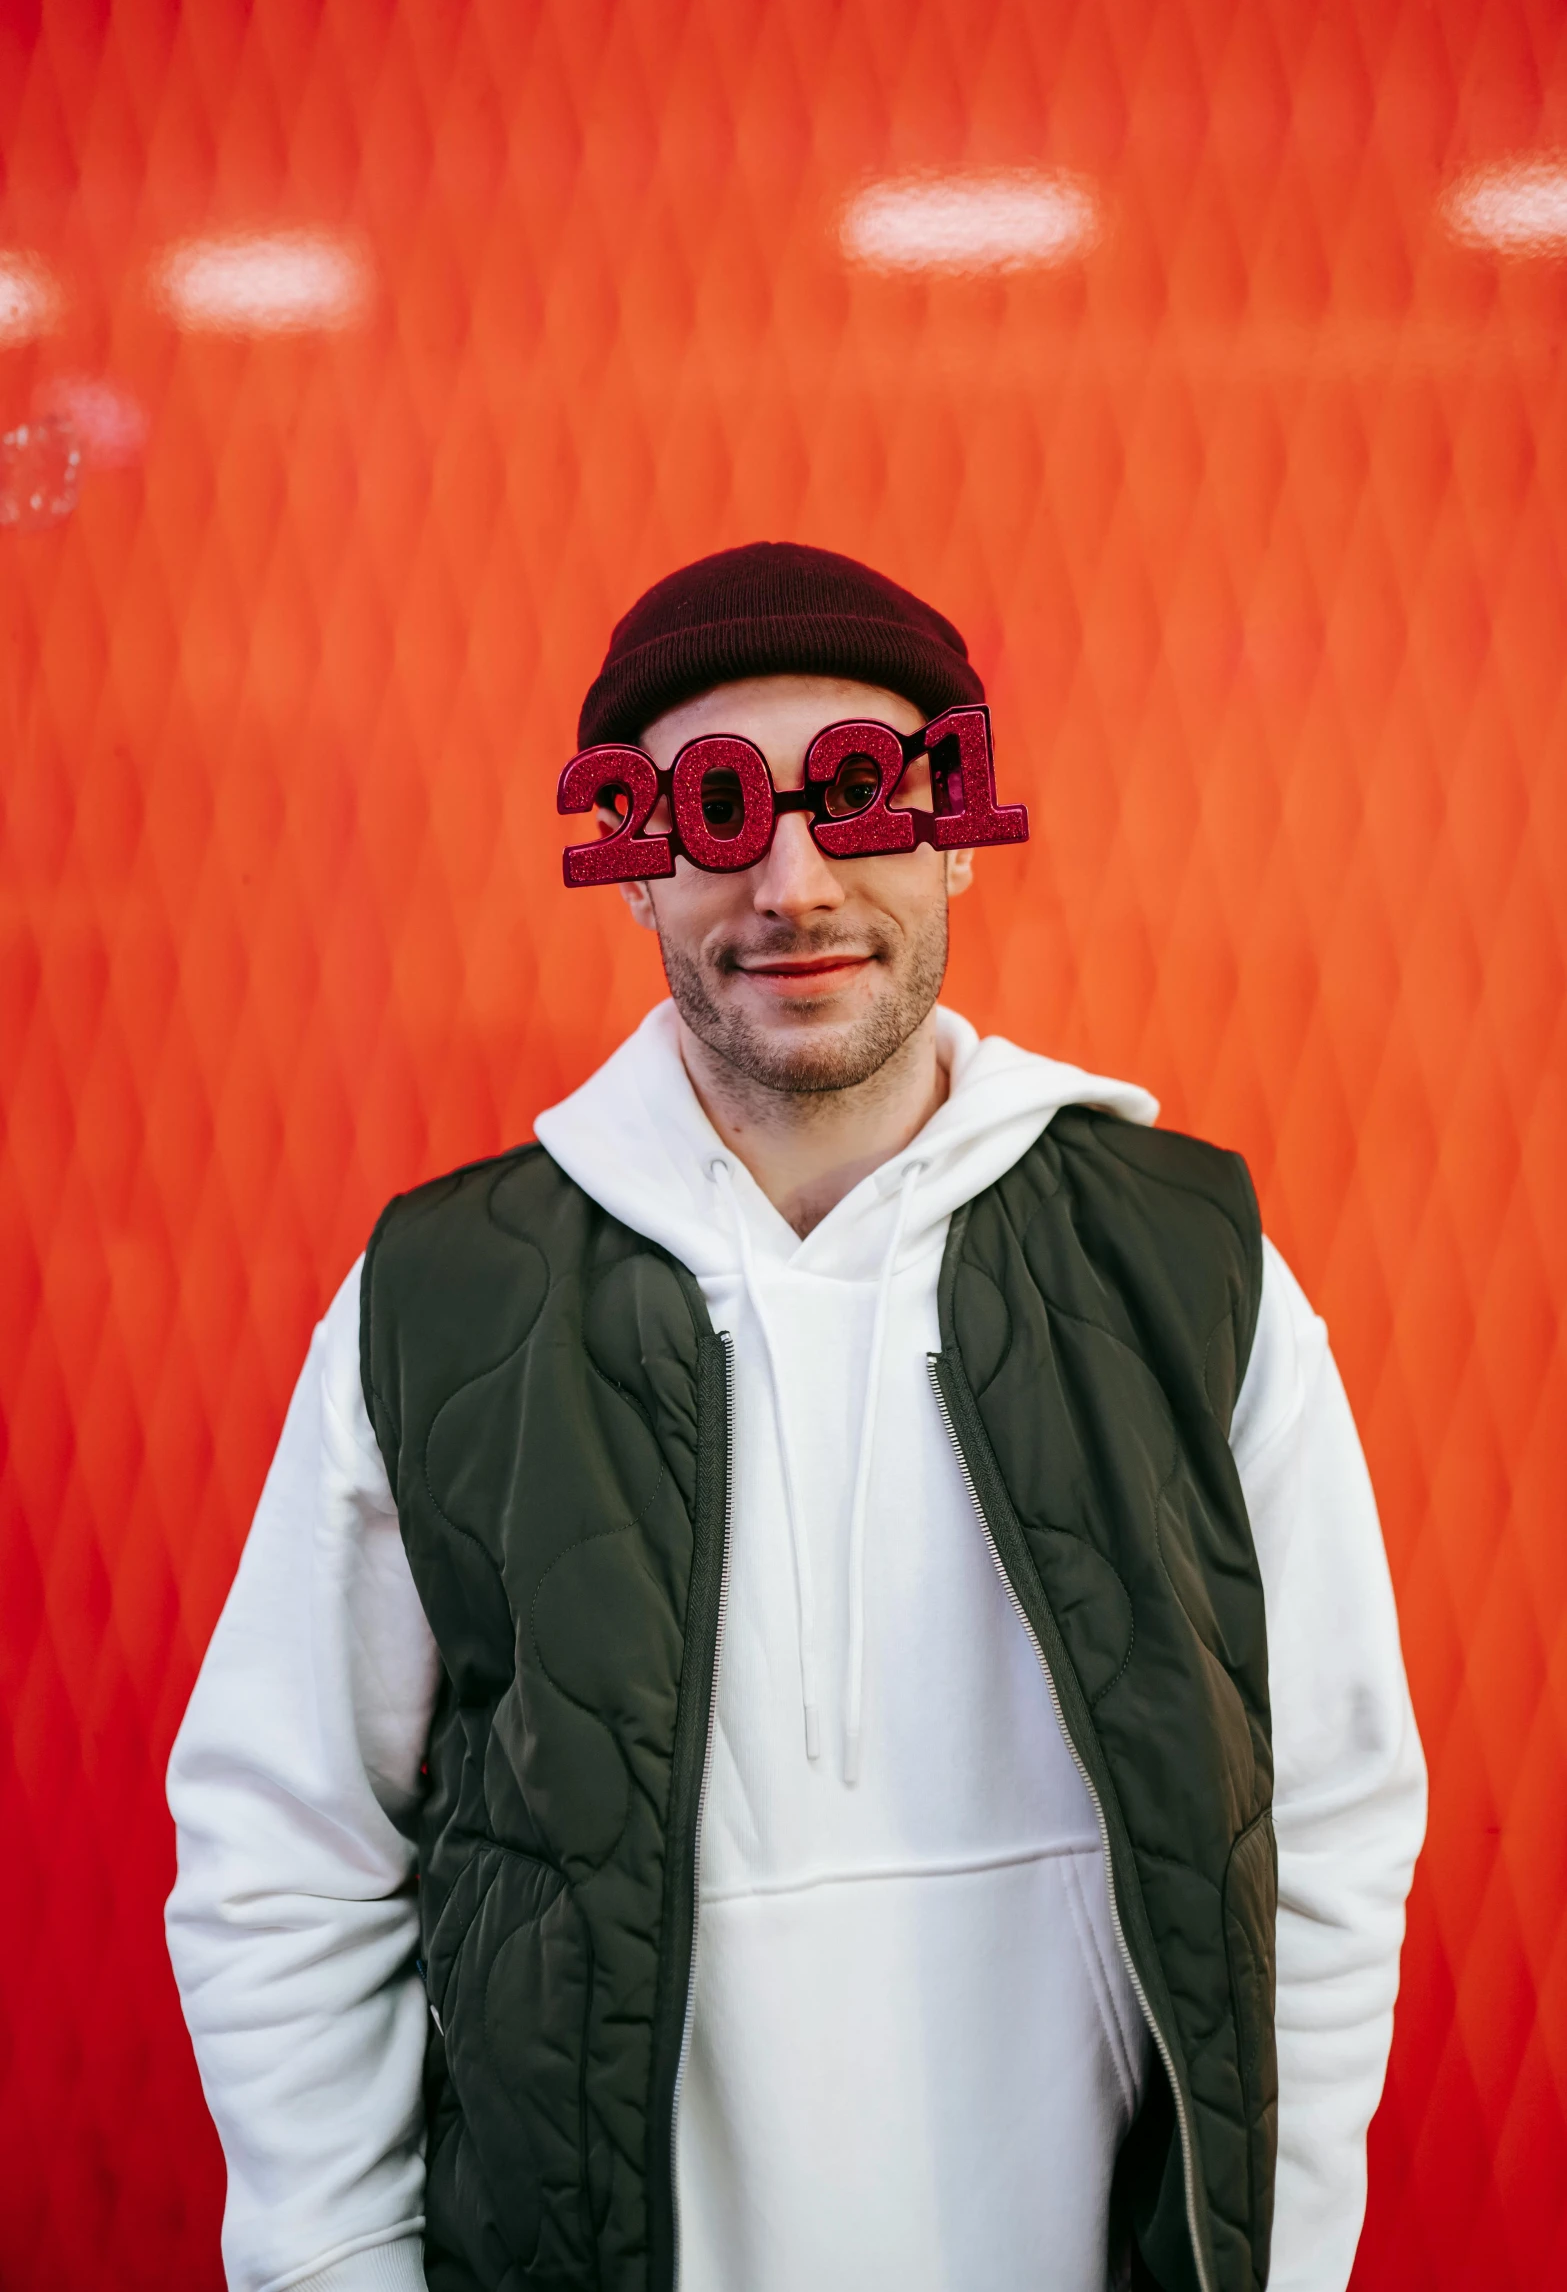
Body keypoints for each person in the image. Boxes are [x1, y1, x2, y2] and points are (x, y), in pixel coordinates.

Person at [166, 542, 1427, 2292]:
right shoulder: (441, 1299)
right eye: (705, 812)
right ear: (628, 870)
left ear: (948, 828)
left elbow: (1329, 1825)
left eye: (854, 792)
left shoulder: (1185, 1264)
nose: (792, 877)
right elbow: (282, 1855)